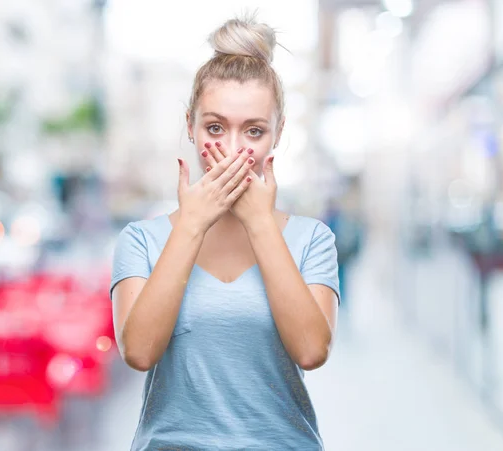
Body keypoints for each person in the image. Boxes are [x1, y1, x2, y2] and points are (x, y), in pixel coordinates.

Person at [110, 14, 341, 450]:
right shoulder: (141, 240)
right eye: (215, 128)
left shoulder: (313, 239)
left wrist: (259, 222)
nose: (233, 151)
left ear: (278, 134)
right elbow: (138, 352)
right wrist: (193, 223)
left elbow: (312, 350)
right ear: (190, 126)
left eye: (253, 131)